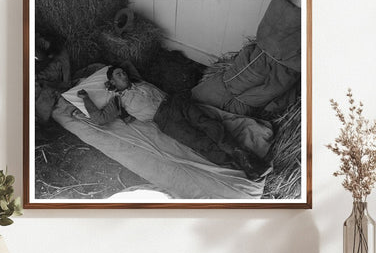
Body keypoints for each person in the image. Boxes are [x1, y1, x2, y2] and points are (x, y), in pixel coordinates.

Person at [77, 63, 268, 180]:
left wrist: (118, 72)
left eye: (123, 72)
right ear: (112, 82)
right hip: (165, 119)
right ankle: (237, 165)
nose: (124, 74)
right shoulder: (117, 101)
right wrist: (86, 97)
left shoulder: (139, 81)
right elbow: (99, 118)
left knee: (209, 123)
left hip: (176, 102)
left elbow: (127, 64)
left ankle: (243, 155)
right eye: (118, 75)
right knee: (198, 141)